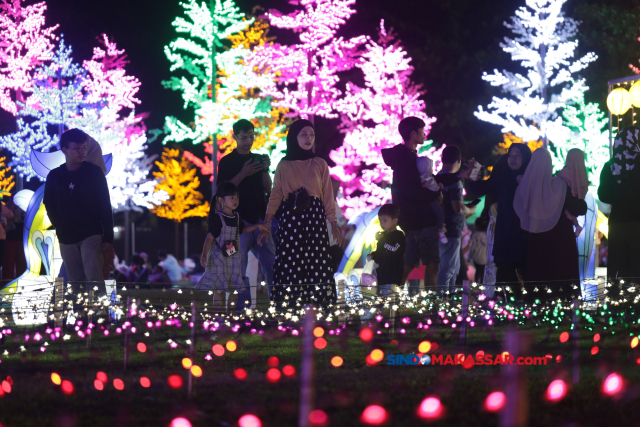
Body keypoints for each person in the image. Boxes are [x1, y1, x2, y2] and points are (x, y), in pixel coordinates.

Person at [258, 119, 341, 308]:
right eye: (303, 134)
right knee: (290, 260)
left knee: (317, 259)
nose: (308, 138)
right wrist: (266, 225)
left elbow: (327, 197)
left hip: (314, 218)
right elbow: (275, 196)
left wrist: (333, 224)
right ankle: (290, 305)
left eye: (311, 135)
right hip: (291, 219)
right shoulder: (284, 165)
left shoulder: (320, 163)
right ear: (294, 137)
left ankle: (319, 306)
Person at [381, 117, 470, 292]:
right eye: (422, 130)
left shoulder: (406, 157)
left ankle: (389, 299)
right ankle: (432, 305)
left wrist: (458, 176)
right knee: (432, 264)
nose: (424, 134)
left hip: (411, 220)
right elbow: (413, 190)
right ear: (413, 133)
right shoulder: (406, 159)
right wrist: (436, 193)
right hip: (421, 220)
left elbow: (424, 181)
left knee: (409, 264)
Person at [514, 148, 588, 300]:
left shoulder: (524, 188)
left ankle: (535, 310)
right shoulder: (558, 185)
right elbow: (579, 207)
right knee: (559, 278)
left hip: (534, 241)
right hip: (560, 241)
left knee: (537, 277)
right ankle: (564, 310)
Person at [43, 129, 113, 286]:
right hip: (66, 235)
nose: (82, 152)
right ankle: (80, 310)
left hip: (91, 232)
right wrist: (59, 226)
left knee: (94, 277)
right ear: (65, 150)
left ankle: (98, 310)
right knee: (74, 281)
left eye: (84, 147)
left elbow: (104, 203)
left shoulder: (94, 172)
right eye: (77, 148)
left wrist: (108, 235)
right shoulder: (55, 176)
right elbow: (49, 203)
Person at [217, 119, 276, 307]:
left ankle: (279, 305)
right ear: (234, 137)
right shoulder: (227, 162)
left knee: (272, 263)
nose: (248, 141)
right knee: (237, 267)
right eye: (244, 137)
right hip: (237, 223)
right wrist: (244, 173)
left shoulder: (257, 158)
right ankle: (240, 310)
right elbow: (222, 191)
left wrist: (265, 169)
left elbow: (269, 188)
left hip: (259, 219)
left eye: (251, 136)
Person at [467, 143, 532, 288]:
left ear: (526, 158)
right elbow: (478, 188)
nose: (513, 158)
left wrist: (529, 182)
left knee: (527, 273)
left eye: (518, 155)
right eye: (510, 155)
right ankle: (504, 306)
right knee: (504, 274)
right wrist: (473, 171)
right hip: (505, 233)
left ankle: (529, 306)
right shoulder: (501, 178)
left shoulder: (532, 179)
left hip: (526, 234)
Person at [198, 182, 267, 313]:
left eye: (236, 197)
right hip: (219, 258)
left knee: (235, 287)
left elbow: (242, 229)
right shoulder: (218, 218)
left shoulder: (236, 217)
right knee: (219, 288)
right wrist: (205, 254)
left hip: (233, 257)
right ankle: (218, 314)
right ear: (221, 200)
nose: (235, 200)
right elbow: (210, 237)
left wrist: (258, 226)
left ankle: (230, 314)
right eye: (231, 197)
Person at [598, 126, 640, 280]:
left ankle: (618, 301)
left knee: (618, 267)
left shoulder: (610, 167)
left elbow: (603, 195)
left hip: (617, 223)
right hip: (637, 223)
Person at [436, 146, 476, 295]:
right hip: (451, 229)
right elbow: (458, 208)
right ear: (459, 160)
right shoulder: (454, 182)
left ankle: (448, 302)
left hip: (441, 228)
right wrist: (470, 209)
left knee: (451, 268)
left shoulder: (437, 177)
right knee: (448, 270)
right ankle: (442, 305)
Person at [368, 204, 405, 319]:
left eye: (385, 220)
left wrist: (382, 240)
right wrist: (373, 255)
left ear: (395, 221)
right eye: (380, 220)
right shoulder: (383, 237)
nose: (382, 223)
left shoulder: (399, 236)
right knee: (381, 301)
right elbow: (381, 252)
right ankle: (384, 322)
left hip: (392, 276)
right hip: (381, 274)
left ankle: (394, 322)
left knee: (392, 301)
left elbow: (394, 249)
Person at [416, 156, 447, 243]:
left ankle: (440, 228)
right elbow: (419, 189)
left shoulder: (429, 177)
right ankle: (440, 231)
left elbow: (433, 186)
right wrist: (424, 185)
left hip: (434, 199)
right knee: (440, 214)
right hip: (431, 200)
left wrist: (438, 186)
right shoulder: (421, 179)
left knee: (440, 214)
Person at [3, 196, 25, 282]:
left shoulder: (24, 207)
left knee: (18, 264)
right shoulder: (8, 207)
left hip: (18, 239)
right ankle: (7, 284)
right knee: (9, 264)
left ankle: (16, 283)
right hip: (11, 239)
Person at [469, 217, 489, 284]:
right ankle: (483, 287)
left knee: (478, 273)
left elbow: (473, 247)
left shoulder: (476, 235)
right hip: (486, 259)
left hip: (477, 259)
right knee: (484, 274)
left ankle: (476, 288)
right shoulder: (489, 234)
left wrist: (469, 257)